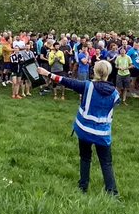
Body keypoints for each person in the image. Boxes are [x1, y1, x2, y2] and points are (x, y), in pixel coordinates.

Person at [38, 59, 119, 196]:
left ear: (94, 71)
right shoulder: (115, 94)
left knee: (85, 158)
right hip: (103, 133)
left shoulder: (87, 86)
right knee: (106, 163)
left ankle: (83, 187)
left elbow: (66, 81)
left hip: (85, 130)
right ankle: (112, 193)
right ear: (108, 73)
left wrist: (47, 74)